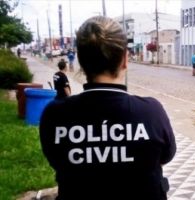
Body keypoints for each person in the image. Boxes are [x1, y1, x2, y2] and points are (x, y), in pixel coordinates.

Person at [39, 16, 176, 200]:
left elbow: (56, 160)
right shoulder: (152, 112)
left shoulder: (54, 114)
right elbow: (166, 156)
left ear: (80, 60)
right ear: (125, 60)